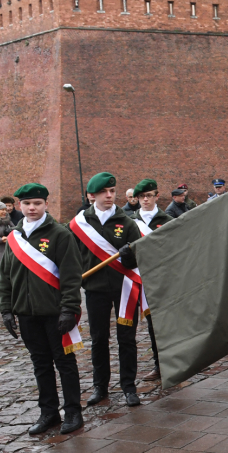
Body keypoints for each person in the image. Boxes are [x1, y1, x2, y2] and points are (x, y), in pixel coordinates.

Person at [0, 184, 84, 434]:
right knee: (40, 364)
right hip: (27, 313)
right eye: (27, 203)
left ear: (46, 204)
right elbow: (5, 276)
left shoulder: (60, 234)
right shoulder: (14, 237)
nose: (32, 208)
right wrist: (6, 309)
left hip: (55, 312)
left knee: (65, 363)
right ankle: (49, 413)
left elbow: (71, 275)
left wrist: (69, 308)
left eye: (37, 203)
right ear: (20, 206)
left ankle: (73, 412)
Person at [71, 172, 144, 408]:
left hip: (125, 288)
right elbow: (73, 257)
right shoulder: (80, 224)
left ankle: (129, 387)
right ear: (92, 195)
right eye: (104, 192)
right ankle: (100, 386)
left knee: (127, 339)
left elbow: (139, 259)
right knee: (99, 338)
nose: (109, 195)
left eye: (112, 191)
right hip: (95, 289)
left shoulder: (127, 222)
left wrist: (129, 255)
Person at [130, 179, 172, 382]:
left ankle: (173, 361)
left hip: (164, 278)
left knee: (168, 323)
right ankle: (158, 364)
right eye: (141, 196)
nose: (145, 200)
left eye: (149, 196)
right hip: (141, 279)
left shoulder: (168, 220)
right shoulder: (130, 222)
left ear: (157, 196)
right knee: (152, 325)